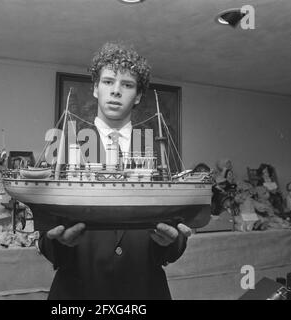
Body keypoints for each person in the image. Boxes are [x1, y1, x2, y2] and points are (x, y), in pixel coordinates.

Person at [38, 42, 191, 300]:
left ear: (138, 96)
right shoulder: (66, 145)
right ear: (96, 89)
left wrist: (172, 242)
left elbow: (177, 232)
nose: (116, 91)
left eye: (127, 85)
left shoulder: (158, 148)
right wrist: (57, 241)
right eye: (108, 82)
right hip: (78, 292)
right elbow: (45, 235)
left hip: (144, 290)